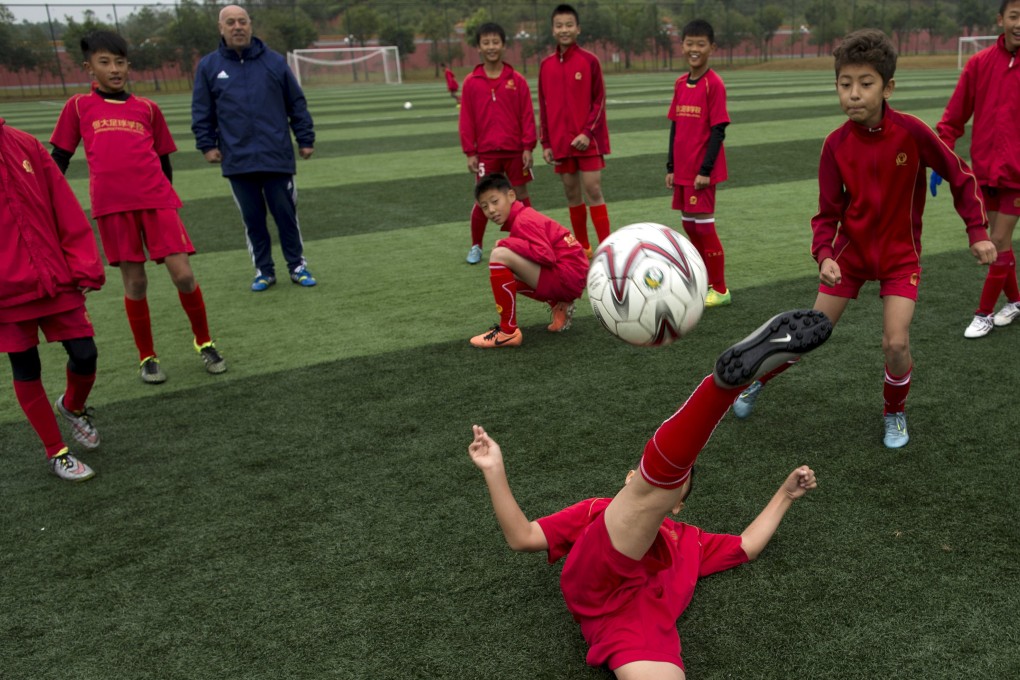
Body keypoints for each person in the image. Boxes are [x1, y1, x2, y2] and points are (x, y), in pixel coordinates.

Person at [469, 309, 833, 679]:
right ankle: (722, 388)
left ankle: (720, 393)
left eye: (679, 489)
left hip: (639, 629)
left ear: (679, 506)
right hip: (598, 589)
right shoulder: (595, 510)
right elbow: (522, 537)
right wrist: (494, 470)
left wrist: (785, 496)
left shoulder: (690, 540)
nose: (673, 489)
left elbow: (746, 546)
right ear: (629, 476)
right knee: (650, 492)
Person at [729, 29, 996, 449]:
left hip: (899, 259)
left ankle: (894, 414)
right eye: (845, 84)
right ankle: (755, 382)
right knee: (807, 336)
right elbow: (827, 214)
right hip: (849, 259)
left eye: (865, 84)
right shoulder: (834, 145)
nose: (854, 94)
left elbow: (961, 177)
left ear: (887, 87)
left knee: (896, 342)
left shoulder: (912, 132)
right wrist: (824, 256)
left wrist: (977, 232)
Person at [51, 31, 226, 385]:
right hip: (113, 207)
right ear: (89, 68)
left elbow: (164, 162)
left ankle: (204, 342)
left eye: (120, 62)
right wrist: (47, 203)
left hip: (157, 202)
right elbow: (59, 159)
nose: (114, 69)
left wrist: (166, 198)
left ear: (128, 65)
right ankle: (147, 357)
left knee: (184, 275)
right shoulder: (78, 107)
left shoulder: (147, 108)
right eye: (105, 62)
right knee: (136, 282)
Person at [2, 117, 106, 481]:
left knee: (85, 353)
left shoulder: (25, 144)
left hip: (54, 276)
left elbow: (63, 205)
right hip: (6, 290)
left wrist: (84, 264)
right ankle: (56, 451)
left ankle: (73, 407)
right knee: (25, 366)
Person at [191, 4, 318, 293]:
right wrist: (207, 145)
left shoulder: (274, 62)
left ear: (250, 25)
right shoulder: (210, 67)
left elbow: (296, 103)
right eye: (231, 22)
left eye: (242, 21)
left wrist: (305, 138)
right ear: (220, 28)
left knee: (286, 215)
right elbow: (202, 110)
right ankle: (264, 271)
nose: (238, 27)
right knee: (253, 219)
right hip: (237, 159)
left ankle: (297, 266)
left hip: (277, 156)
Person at [933, 0, 1020, 338]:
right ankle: (1014, 301)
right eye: (1014, 16)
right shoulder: (979, 64)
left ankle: (983, 313)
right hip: (984, 172)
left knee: (996, 240)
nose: (1019, 23)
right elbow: (953, 117)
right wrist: (942, 157)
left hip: (1017, 177)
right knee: (1002, 244)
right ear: (1001, 19)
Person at [469, 173, 588, 348]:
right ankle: (559, 304)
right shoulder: (524, 216)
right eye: (485, 206)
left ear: (511, 196)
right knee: (506, 276)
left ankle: (508, 332)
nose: (491, 210)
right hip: (571, 276)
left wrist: (508, 243)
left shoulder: (524, 220)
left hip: (567, 277)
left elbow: (545, 255)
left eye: (495, 202)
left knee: (499, 255)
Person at [665, 20, 732, 308]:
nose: (694, 49)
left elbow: (718, 130)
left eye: (700, 44)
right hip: (682, 170)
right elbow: (675, 127)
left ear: (711, 48)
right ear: (682, 46)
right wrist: (670, 167)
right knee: (689, 228)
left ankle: (720, 288)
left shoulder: (713, 84)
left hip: (701, 172)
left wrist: (705, 171)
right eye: (689, 43)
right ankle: (701, 283)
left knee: (704, 228)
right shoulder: (680, 83)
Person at [459, 22, 538, 266]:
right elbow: (467, 119)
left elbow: (526, 114)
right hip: (486, 153)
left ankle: (529, 240)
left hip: (515, 150)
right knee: (483, 199)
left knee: (521, 195)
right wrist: (470, 152)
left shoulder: (517, 80)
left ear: (503, 45)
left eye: (495, 42)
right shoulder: (472, 82)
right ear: (479, 48)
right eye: (486, 43)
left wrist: (527, 146)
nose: (491, 47)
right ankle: (476, 246)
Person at [538, 3, 612, 258]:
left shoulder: (589, 60)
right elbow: (544, 105)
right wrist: (546, 142)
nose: (564, 30)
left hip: (587, 140)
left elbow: (599, 100)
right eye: (559, 26)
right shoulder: (545, 65)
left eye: (569, 25)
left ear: (578, 29)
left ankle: (607, 247)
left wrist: (587, 133)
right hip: (560, 142)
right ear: (553, 30)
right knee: (571, 192)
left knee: (592, 189)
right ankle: (583, 247)